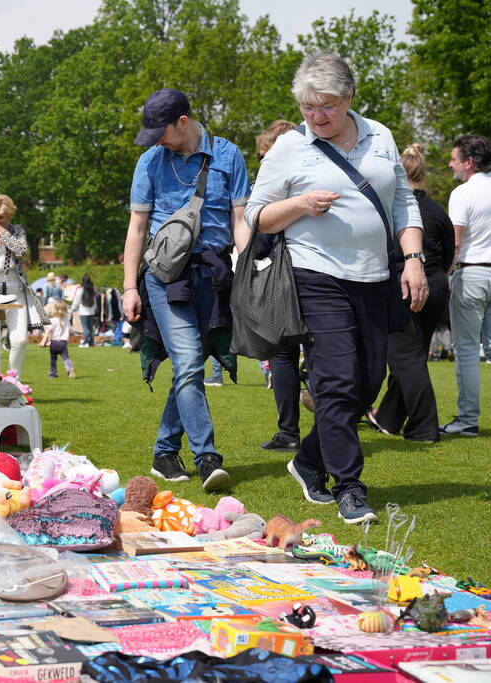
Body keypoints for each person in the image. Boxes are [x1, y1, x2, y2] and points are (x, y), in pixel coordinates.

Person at [244, 53, 426, 524]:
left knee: (367, 382)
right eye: (308, 107)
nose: (317, 116)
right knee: (337, 380)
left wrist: (413, 259)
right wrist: (300, 204)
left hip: (374, 276)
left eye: (326, 105)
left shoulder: (381, 136)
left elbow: (403, 202)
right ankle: (349, 486)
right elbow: (256, 215)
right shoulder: (289, 147)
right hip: (314, 275)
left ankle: (307, 459)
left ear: (349, 98)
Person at [123, 88, 250, 492]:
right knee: (191, 362)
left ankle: (164, 450)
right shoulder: (150, 162)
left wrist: (249, 272)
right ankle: (207, 457)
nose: (156, 141)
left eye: (161, 132)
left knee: (188, 365)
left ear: (183, 122)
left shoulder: (229, 156)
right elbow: (137, 228)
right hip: (165, 277)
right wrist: (129, 286)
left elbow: (240, 222)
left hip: (213, 275)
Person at [369, 143, 454, 442]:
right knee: (413, 356)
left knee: (406, 358)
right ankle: (389, 418)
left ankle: (423, 427)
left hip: (402, 282)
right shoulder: (437, 211)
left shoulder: (395, 211)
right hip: (436, 285)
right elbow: (449, 254)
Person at [246, 119, 304, 451]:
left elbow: (261, 235)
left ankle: (288, 431)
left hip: (283, 275)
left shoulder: (270, 184)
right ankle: (330, 427)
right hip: (323, 272)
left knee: (283, 354)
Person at [440, 134, 491, 437]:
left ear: (469, 162)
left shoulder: (463, 193)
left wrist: (443, 276)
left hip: (472, 273)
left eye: (455, 159)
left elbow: (455, 242)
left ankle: (468, 418)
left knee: (468, 351)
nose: (450, 164)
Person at [0, 194, 48, 377]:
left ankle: (14, 380)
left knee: (20, 340)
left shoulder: (17, 231)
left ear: (10, 215)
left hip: (15, 292)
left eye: (1, 217)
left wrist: (1, 232)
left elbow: (21, 250)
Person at [40, 300, 75, 379]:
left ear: (54, 310)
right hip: (63, 343)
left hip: (54, 343)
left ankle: (53, 373)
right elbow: (70, 330)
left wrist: (43, 342)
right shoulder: (67, 320)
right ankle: (69, 367)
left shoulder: (52, 321)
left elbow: (48, 332)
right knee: (65, 357)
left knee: (53, 358)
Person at [72, 274, 98, 347]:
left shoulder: (81, 290)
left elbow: (77, 300)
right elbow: (95, 301)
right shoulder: (93, 289)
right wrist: (95, 309)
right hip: (91, 311)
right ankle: (91, 343)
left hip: (83, 311)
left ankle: (85, 342)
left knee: (85, 327)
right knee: (91, 328)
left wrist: (73, 308)